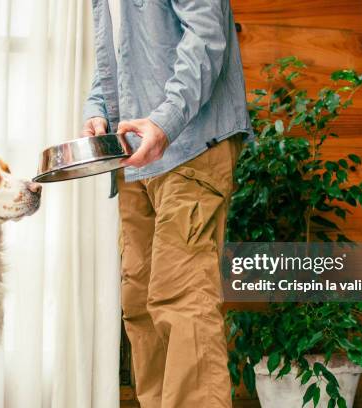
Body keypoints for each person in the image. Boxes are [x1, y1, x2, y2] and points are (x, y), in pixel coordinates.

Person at [82, 1, 252, 407]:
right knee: (139, 304)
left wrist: (165, 120)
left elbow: (207, 36)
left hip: (189, 144)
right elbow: (119, 57)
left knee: (181, 297)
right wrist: (98, 110)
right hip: (137, 158)